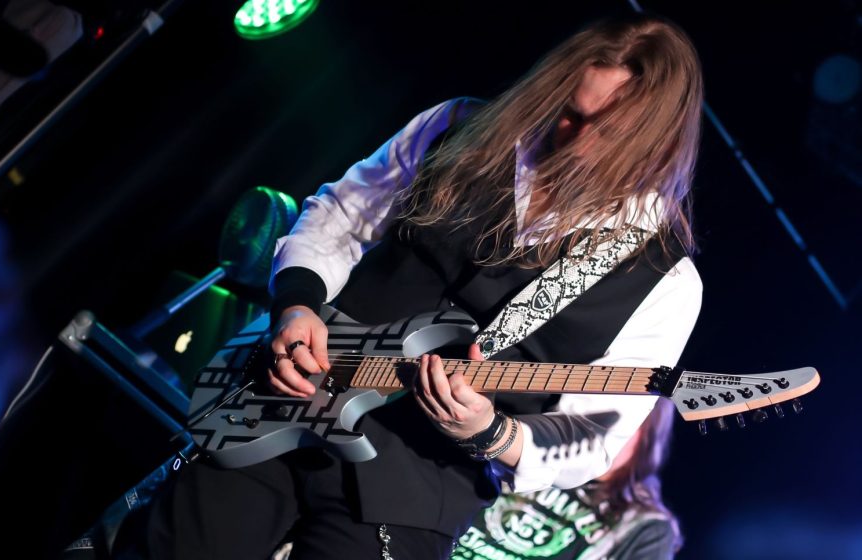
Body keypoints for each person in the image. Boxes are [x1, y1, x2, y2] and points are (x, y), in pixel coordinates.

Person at [147, 12, 704, 560]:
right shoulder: (463, 127)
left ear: (654, 144)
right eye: (569, 113)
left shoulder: (664, 280)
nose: (575, 143)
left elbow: (594, 437)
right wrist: (297, 305)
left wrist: (489, 430)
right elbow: (342, 216)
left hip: (415, 487)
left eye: (606, 133)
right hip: (286, 393)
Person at [450, 397, 682, 560]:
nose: (598, 431)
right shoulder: (511, 453)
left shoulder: (645, 528)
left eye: (614, 423)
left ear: (648, 437)